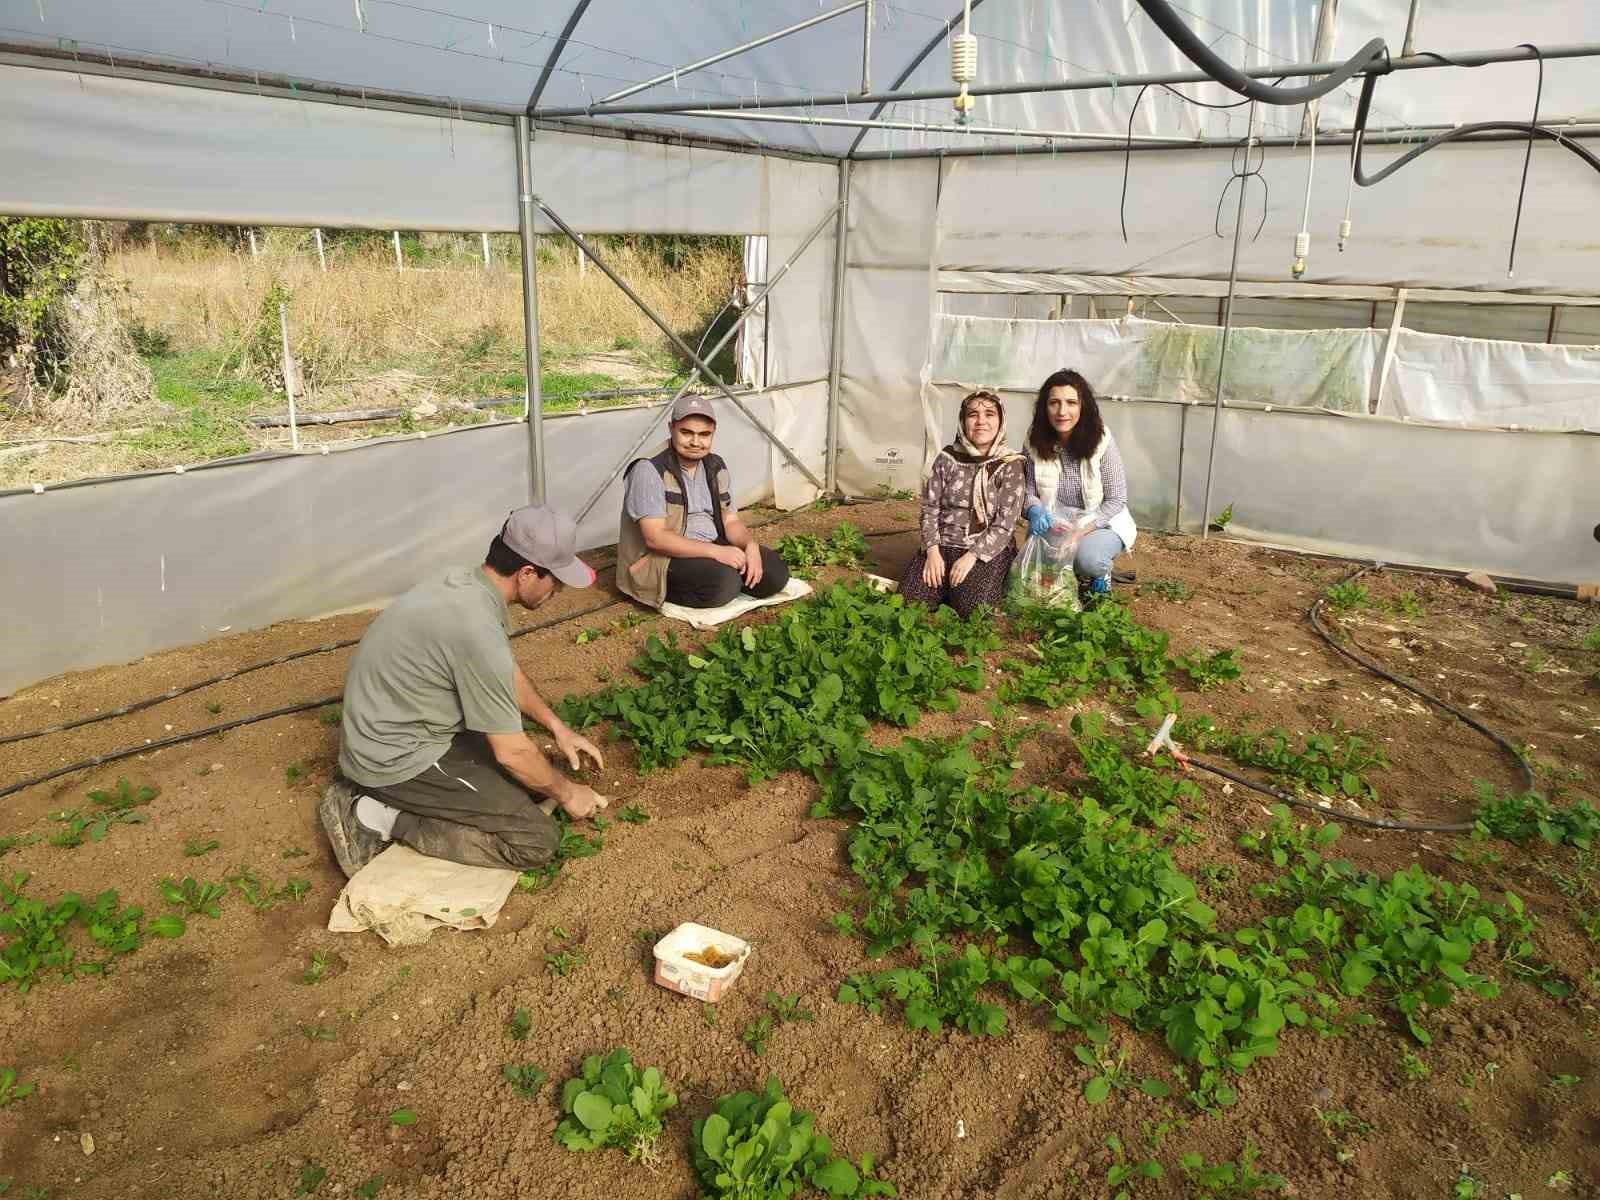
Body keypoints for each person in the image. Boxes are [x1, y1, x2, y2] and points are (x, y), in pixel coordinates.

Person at [319, 505, 610, 878]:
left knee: (539, 781)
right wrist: (569, 794)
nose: (558, 590)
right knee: (535, 838)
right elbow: (512, 752)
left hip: (401, 724)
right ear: (526, 574)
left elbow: (502, 670)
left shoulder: (465, 583)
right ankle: (378, 816)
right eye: (556, 579)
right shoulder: (475, 629)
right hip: (393, 758)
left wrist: (556, 726)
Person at [617, 394, 790, 609]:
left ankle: (723, 576)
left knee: (775, 574)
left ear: (713, 434)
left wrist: (750, 546)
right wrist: (717, 553)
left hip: (711, 545)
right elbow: (656, 539)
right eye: (687, 432)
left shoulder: (715, 466)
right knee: (724, 584)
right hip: (663, 557)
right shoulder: (648, 469)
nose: (696, 442)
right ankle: (659, 588)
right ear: (671, 428)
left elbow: (730, 521)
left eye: (704, 434)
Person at [898, 389, 1028, 619]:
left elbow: (1005, 525)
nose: (981, 421)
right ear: (962, 421)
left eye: (989, 414)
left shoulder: (1010, 464)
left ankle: (958, 588)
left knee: (975, 609)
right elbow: (929, 508)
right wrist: (932, 552)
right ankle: (948, 587)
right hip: (942, 545)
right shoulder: (947, 459)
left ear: (1001, 421)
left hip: (984, 550)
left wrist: (971, 558)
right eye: (973, 414)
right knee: (909, 600)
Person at [1022, 368, 1137, 595]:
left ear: (1082, 406)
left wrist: (1079, 533)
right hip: (1058, 520)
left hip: (1101, 521)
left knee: (1087, 558)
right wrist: (1035, 510)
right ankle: (1069, 573)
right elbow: (1028, 490)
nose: (1062, 411)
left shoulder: (1101, 439)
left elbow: (1116, 499)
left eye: (1071, 402)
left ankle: (1100, 571)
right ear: (1044, 407)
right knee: (1037, 554)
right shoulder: (1033, 440)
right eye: (1054, 402)